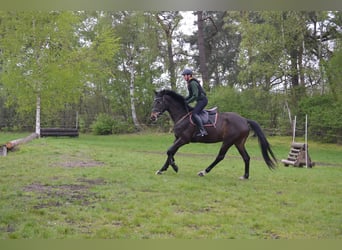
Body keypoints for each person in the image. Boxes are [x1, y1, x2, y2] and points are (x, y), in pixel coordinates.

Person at [182, 68, 208, 136]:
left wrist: (187, 102)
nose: (184, 77)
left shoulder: (193, 83)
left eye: (184, 75)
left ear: (189, 75)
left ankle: (203, 130)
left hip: (203, 101)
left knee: (194, 113)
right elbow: (190, 95)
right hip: (200, 100)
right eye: (183, 76)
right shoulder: (190, 83)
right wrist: (183, 100)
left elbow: (195, 96)